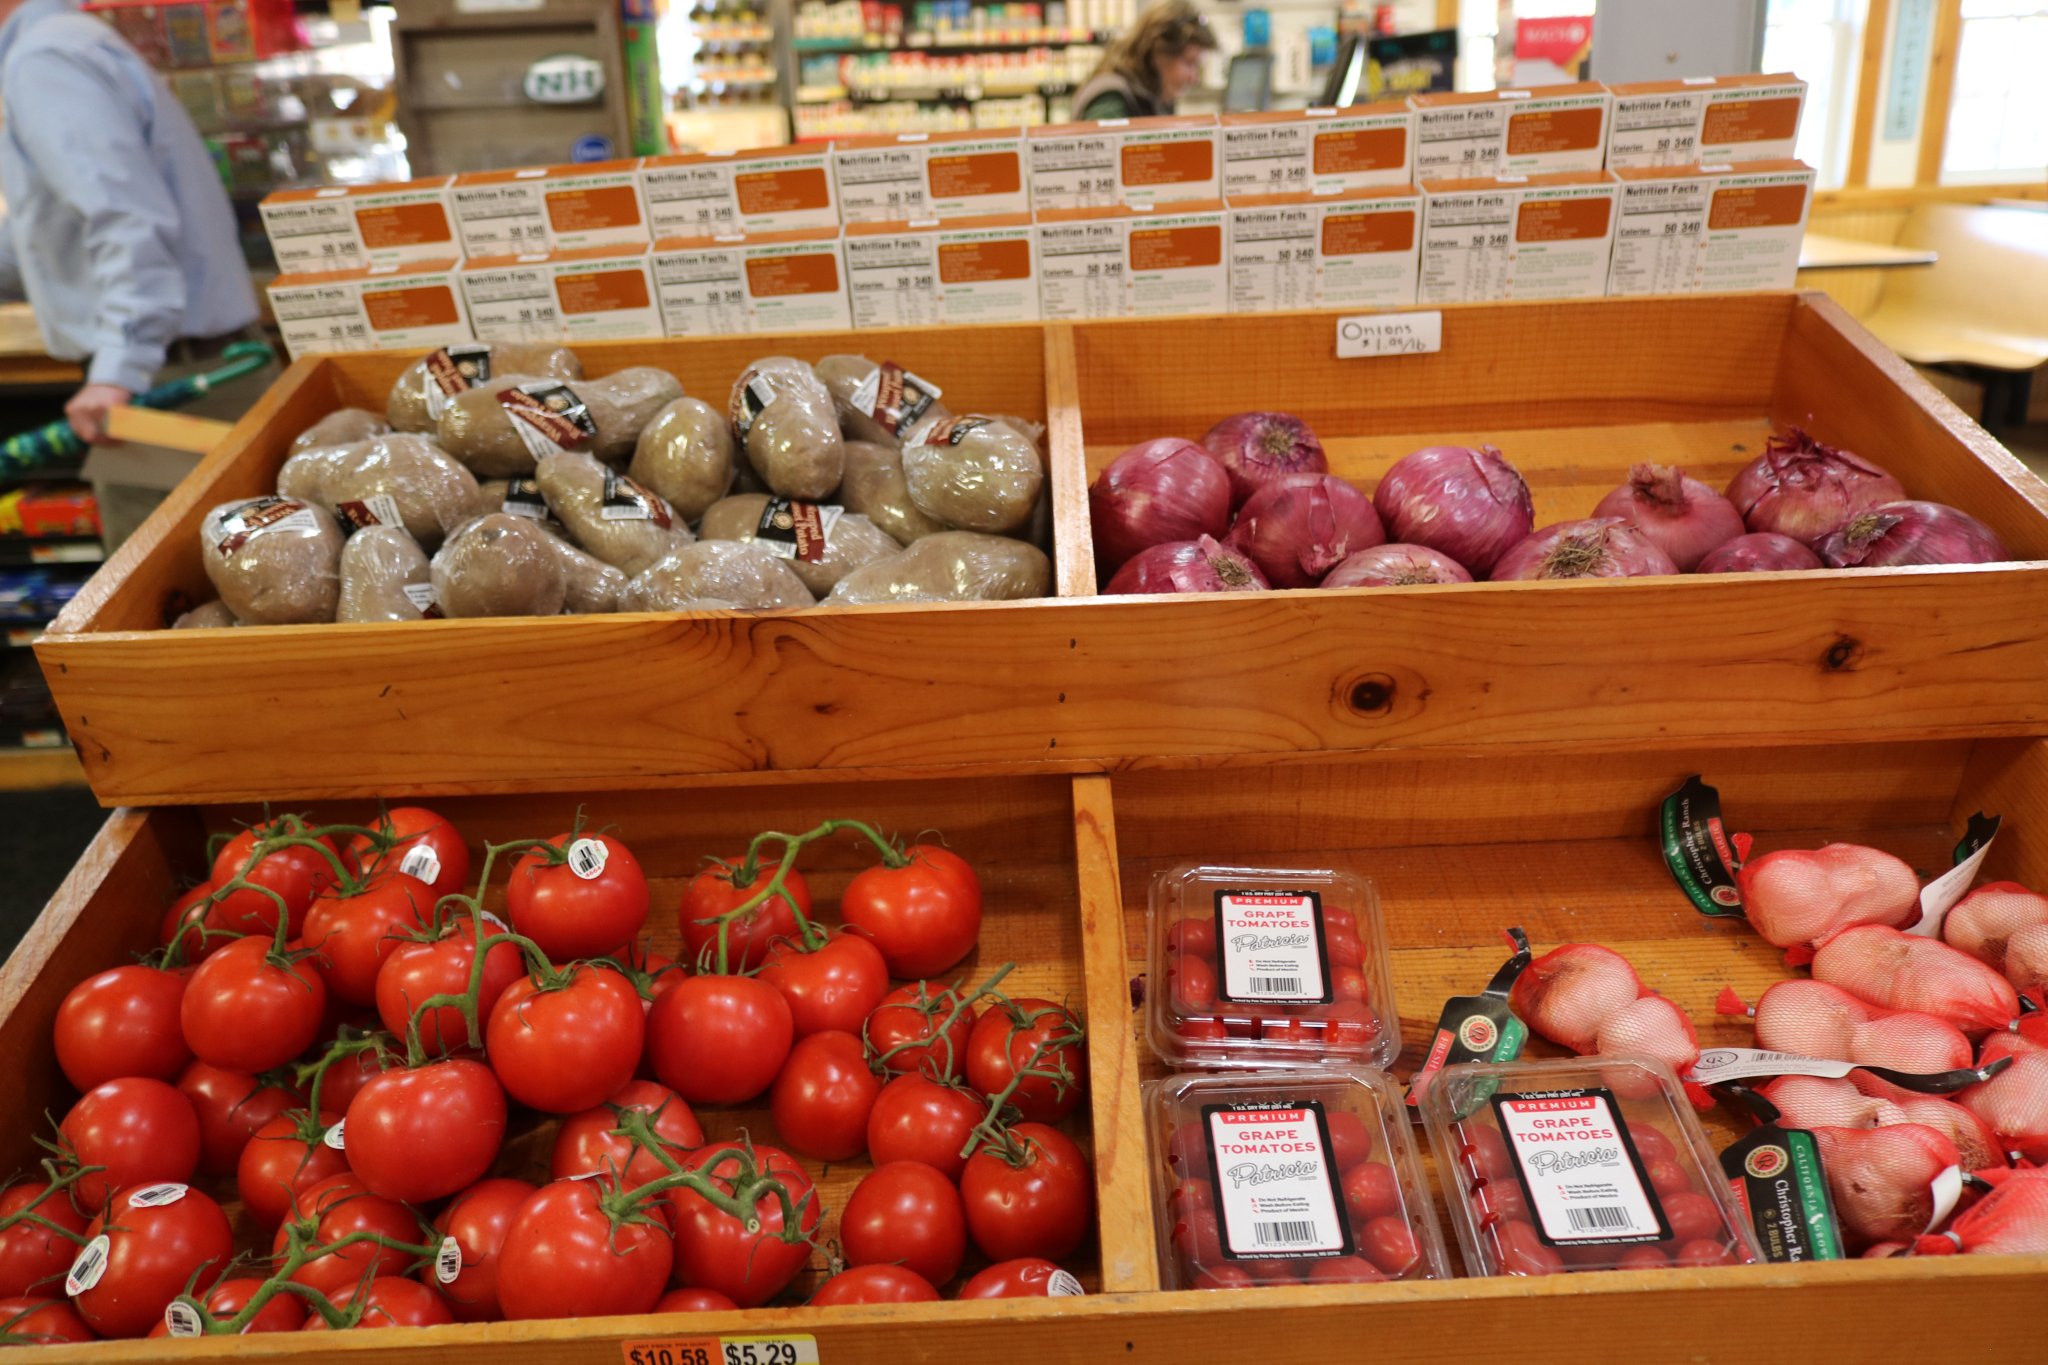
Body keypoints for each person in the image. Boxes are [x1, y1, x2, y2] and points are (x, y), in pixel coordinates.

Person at [0, 0, 269, 542]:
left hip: (167, 384)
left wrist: (117, 373)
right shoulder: (63, 44)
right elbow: (54, 228)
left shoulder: (44, 60)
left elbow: (128, 220)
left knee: (165, 586)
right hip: (175, 366)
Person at [1072, 0, 1219, 121]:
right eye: (1189, 63)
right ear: (1159, 49)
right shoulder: (1111, 101)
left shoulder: (1153, 96)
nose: (1194, 78)